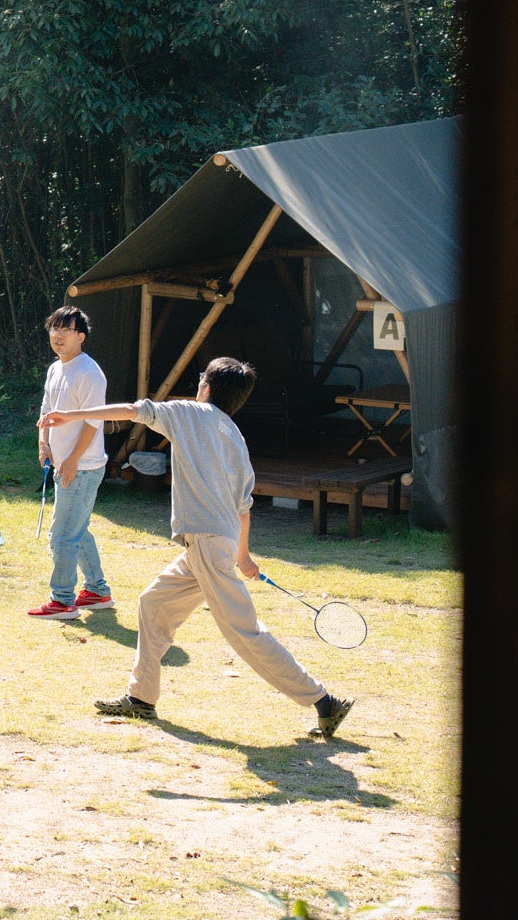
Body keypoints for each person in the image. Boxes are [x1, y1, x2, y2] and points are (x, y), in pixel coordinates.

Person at [41, 356, 353, 739]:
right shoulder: (234, 436)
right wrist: (242, 556)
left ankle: (324, 702)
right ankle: (142, 698)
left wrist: (70, 414)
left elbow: (132, 410)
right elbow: (244, 507)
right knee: (153, 603)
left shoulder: (188, 412)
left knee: (245, 633)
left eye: (201, 377)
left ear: (206, 385)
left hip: (206, 544)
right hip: (209, 546)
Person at [27, 305, 112, 619]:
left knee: (62, 535)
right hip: (64, 463)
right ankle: (97, 591)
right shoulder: (55, 368)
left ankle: (62, 601)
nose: (58, 336)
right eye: (54, 329)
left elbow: (93, 422)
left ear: (81, 336)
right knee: (78, 529)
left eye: (65, 330)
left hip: (84, 467)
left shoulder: (88, 372)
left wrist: (73, 460)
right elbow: (46, 409)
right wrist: (44, 444)